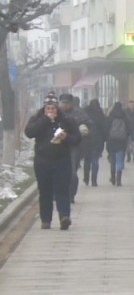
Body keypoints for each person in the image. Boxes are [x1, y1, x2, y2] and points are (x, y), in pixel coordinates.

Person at [24, 92, 81, 229]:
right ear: (44, 109)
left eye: (53, 109)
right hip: (42, 160)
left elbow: (77, 138)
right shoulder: (38, 119)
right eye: (48, 109)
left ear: (58, 109)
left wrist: (65, 137)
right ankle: (46, 219)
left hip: (61, 160)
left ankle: (64, 216)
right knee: (45, 191)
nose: (51, 111)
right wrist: (45, 120)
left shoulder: (66, 121)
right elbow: (29, 133)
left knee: (62, 190)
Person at [58, 93, 93, 203]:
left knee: (73, 172)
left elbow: (89, 123)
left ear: (71, 103)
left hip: (74, 146)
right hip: (59, 146)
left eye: (67, 103)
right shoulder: (57, 113)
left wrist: (84, 128)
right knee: (59, 172)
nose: (65, 105)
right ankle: (60, 193)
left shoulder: (79, 113)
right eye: (63, 103)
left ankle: (71, 194)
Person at [82, 99, 108, 187]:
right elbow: (105, 129)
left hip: (86, 140)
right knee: (95, 161)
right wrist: (104, 140)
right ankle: (94, 180)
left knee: (87, 160)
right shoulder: (100, 115)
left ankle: (86, 178)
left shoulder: (85, 114)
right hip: (97, 141)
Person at [106, 102, 130, 186]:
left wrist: (106, 139)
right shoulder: (125, 117)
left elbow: (106, 129)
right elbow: (129, 130)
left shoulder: (110, 117)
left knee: (113, 161)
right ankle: (119, 179)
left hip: (112, 141)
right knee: (120, 160)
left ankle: (113, 178)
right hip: (122, 142)